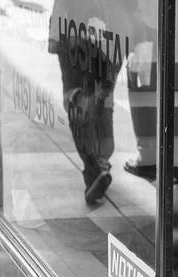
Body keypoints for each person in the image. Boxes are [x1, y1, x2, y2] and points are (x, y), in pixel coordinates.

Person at [48, 0, 131, 203]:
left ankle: (96, 168)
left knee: (78, 97)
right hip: (113, 26)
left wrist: (56, 36)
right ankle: (100, 162)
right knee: (102, 99)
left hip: (77, 26)